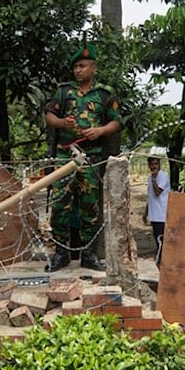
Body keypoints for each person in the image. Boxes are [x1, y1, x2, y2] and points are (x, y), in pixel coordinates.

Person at [43, 41, 122, 272]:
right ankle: (61, 253)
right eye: (76, 67)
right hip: (65, 156)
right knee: (60, 205)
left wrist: (100, 130)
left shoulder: (104, 94)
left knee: (90, 206)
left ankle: (88, 254)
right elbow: (49, 116)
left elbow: (116, 122)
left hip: (92, 155)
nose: (78, 70)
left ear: (93, 68)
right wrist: (62, 122)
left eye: (82, 66)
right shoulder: (64, 92)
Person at [144, 156, 171, 266]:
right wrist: (146, 212)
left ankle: (163, 260)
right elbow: (150, 196)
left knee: (161, 238)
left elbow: (157, 192)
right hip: (154, 214)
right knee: (156, 237)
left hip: (162, 213)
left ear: (159, 164)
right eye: (152, 164)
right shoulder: (150, 178)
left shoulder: (163, 176)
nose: (154, 166)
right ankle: (160, 258)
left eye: (156, 164)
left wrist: (155, 179)